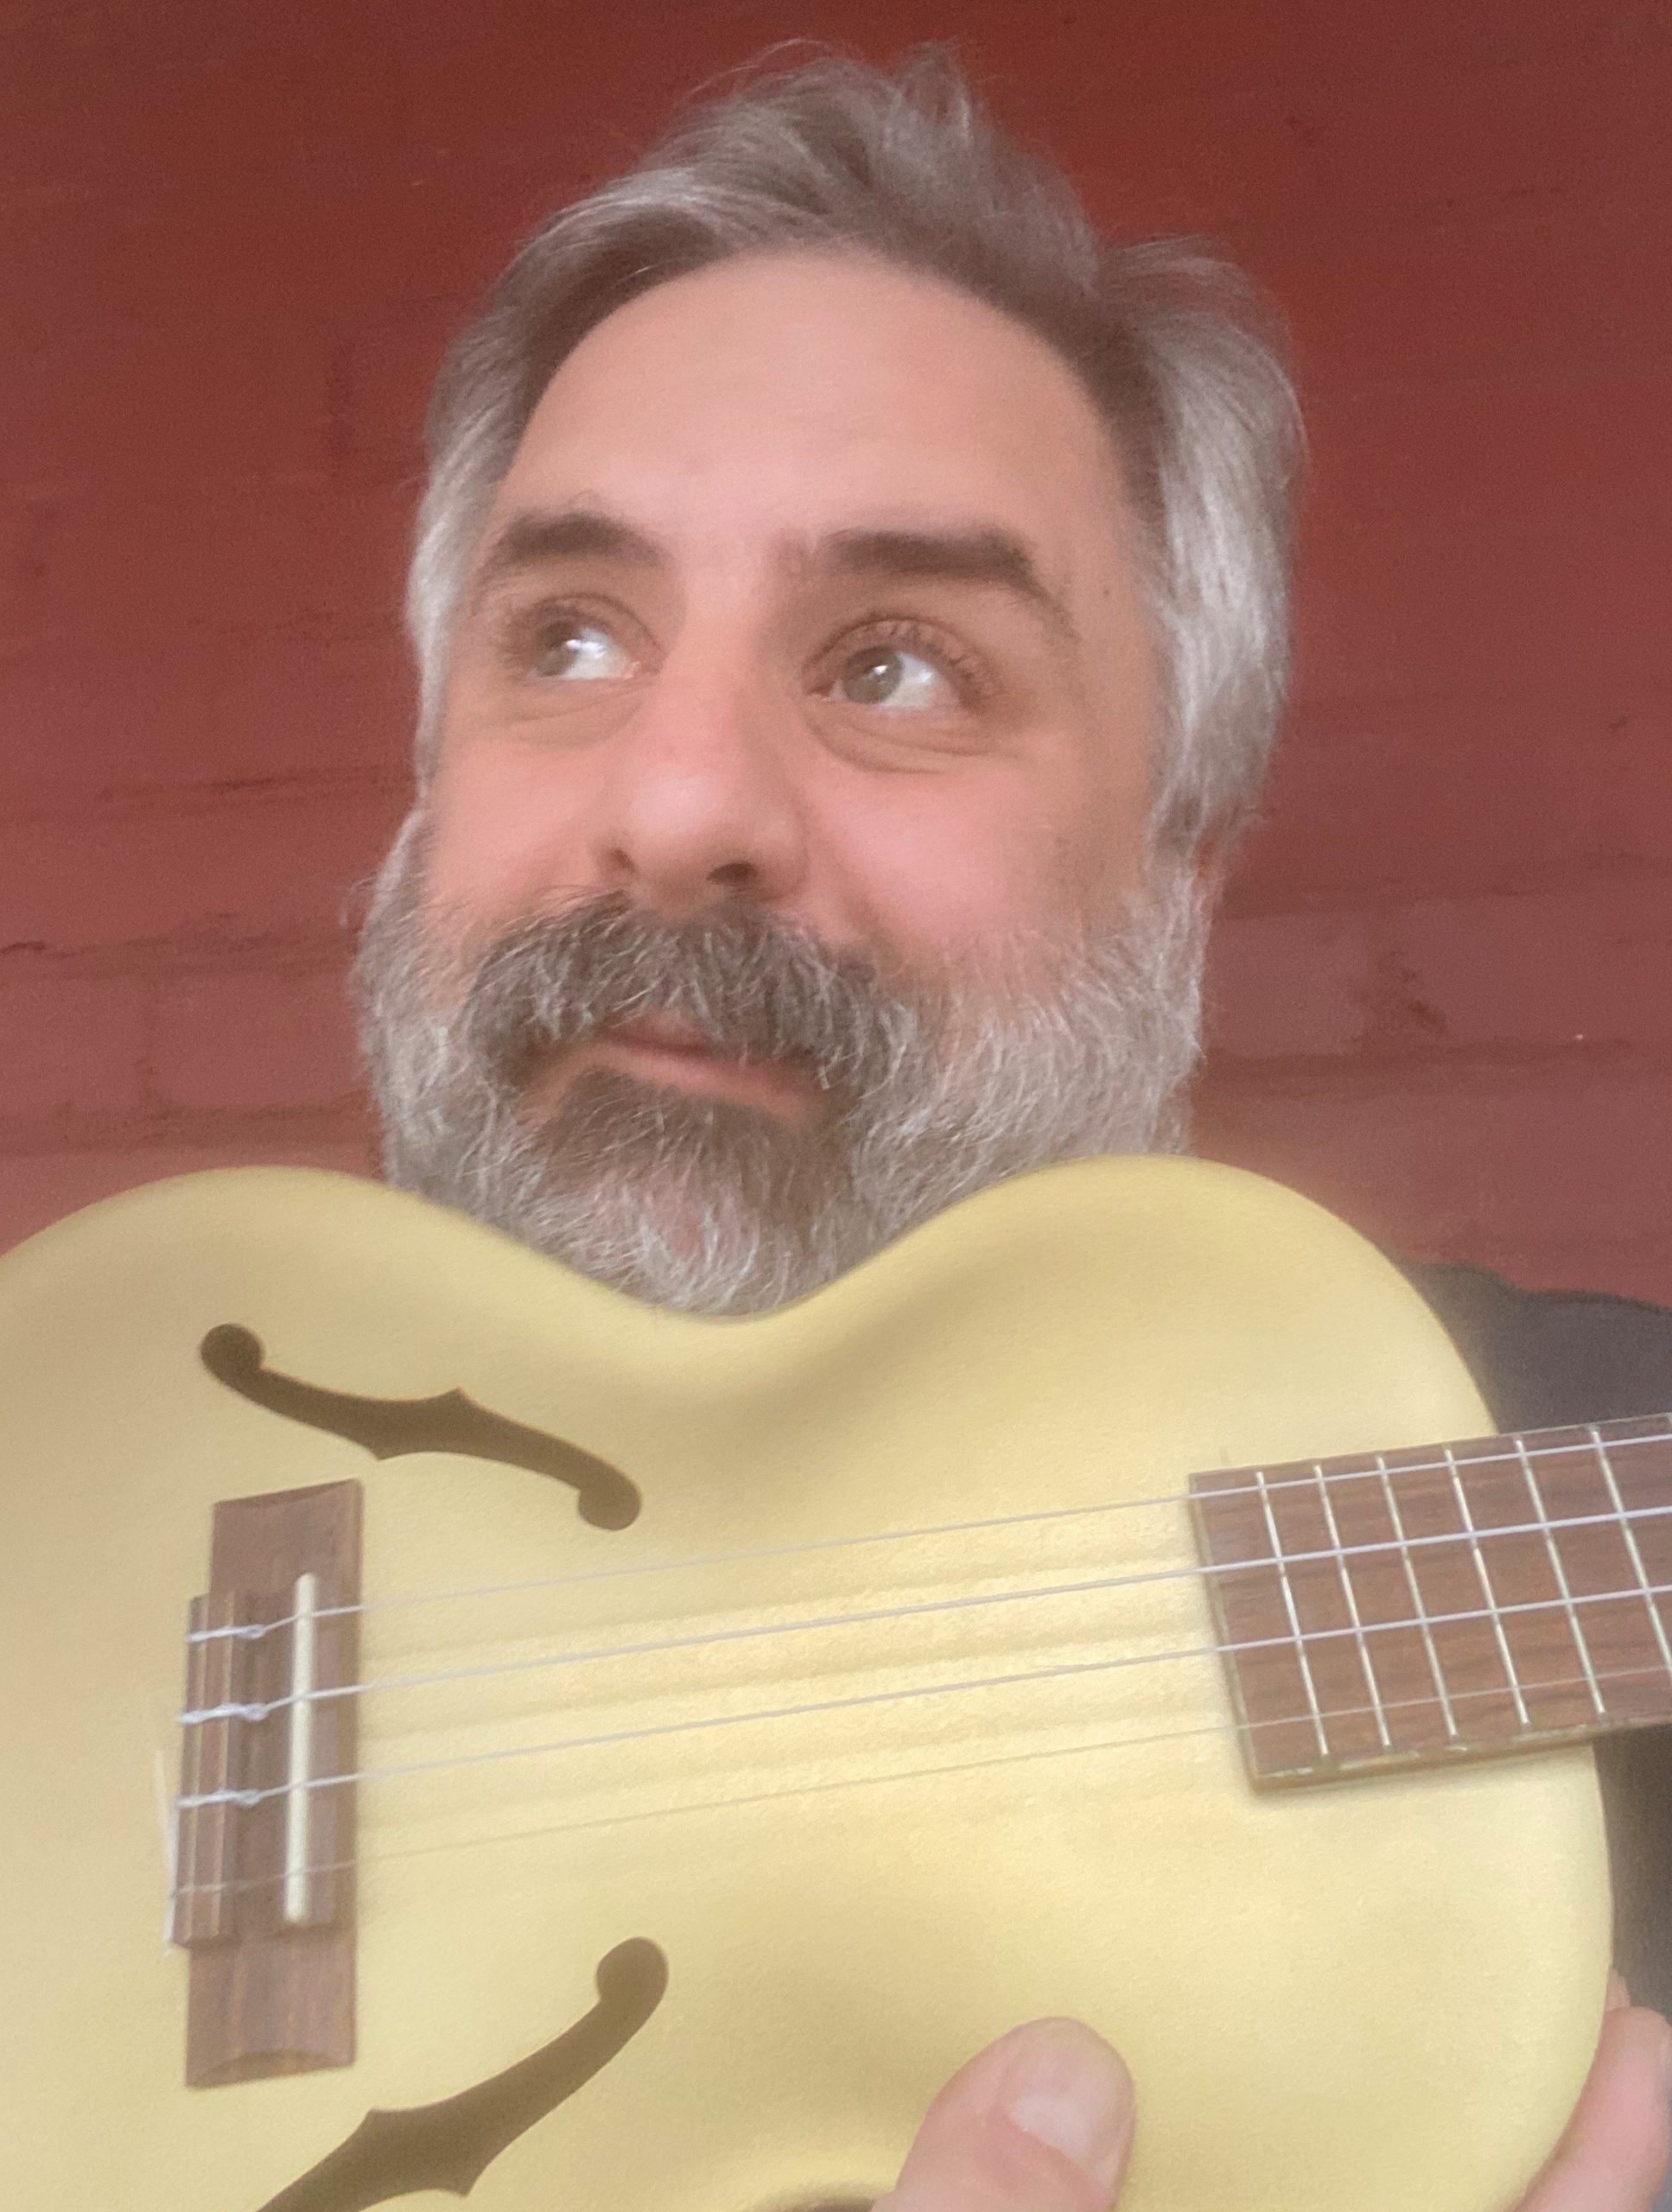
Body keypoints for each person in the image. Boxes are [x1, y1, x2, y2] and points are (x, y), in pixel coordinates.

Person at [349, 45, 1672, 2210]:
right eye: (568, 637)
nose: (677, 802)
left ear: (1176, 872)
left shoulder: (1565, 1456)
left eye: (896, 666)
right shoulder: (62, 1546)